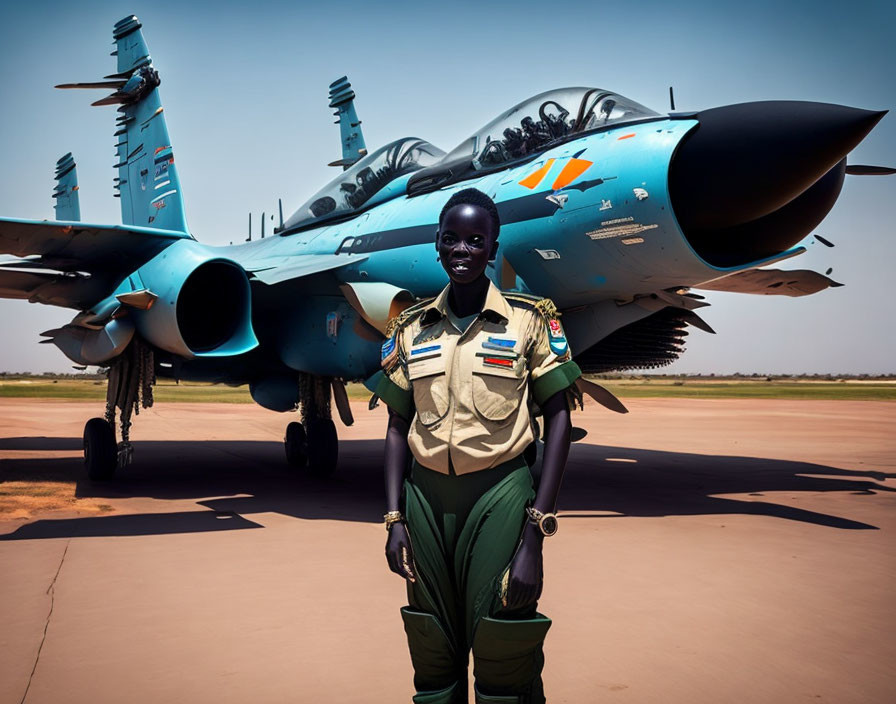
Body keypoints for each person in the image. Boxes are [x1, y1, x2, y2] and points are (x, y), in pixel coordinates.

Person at [376, 187, 581, 704]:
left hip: (501, 497)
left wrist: (537, 532)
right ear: (437, 246)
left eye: (475, 240)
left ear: (492, 248)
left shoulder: (530, 321)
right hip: (424, 502)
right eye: (452, 239)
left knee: (502, 645)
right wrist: (394, 520)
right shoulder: (410, 328)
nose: (462, 249)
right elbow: (397, 427)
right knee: (431, 645)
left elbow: (558, 420)